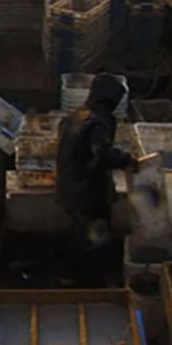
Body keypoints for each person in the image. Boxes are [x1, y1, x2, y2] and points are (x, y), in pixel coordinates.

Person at [55, 73, 138, 282]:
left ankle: (68, 274)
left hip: (68, 185)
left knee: (78, 232)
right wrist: (127, 160)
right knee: (93, 236)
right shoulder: (98, 122)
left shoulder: (75, 115)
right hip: (87, 192)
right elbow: (102, 152)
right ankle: (89, 280)